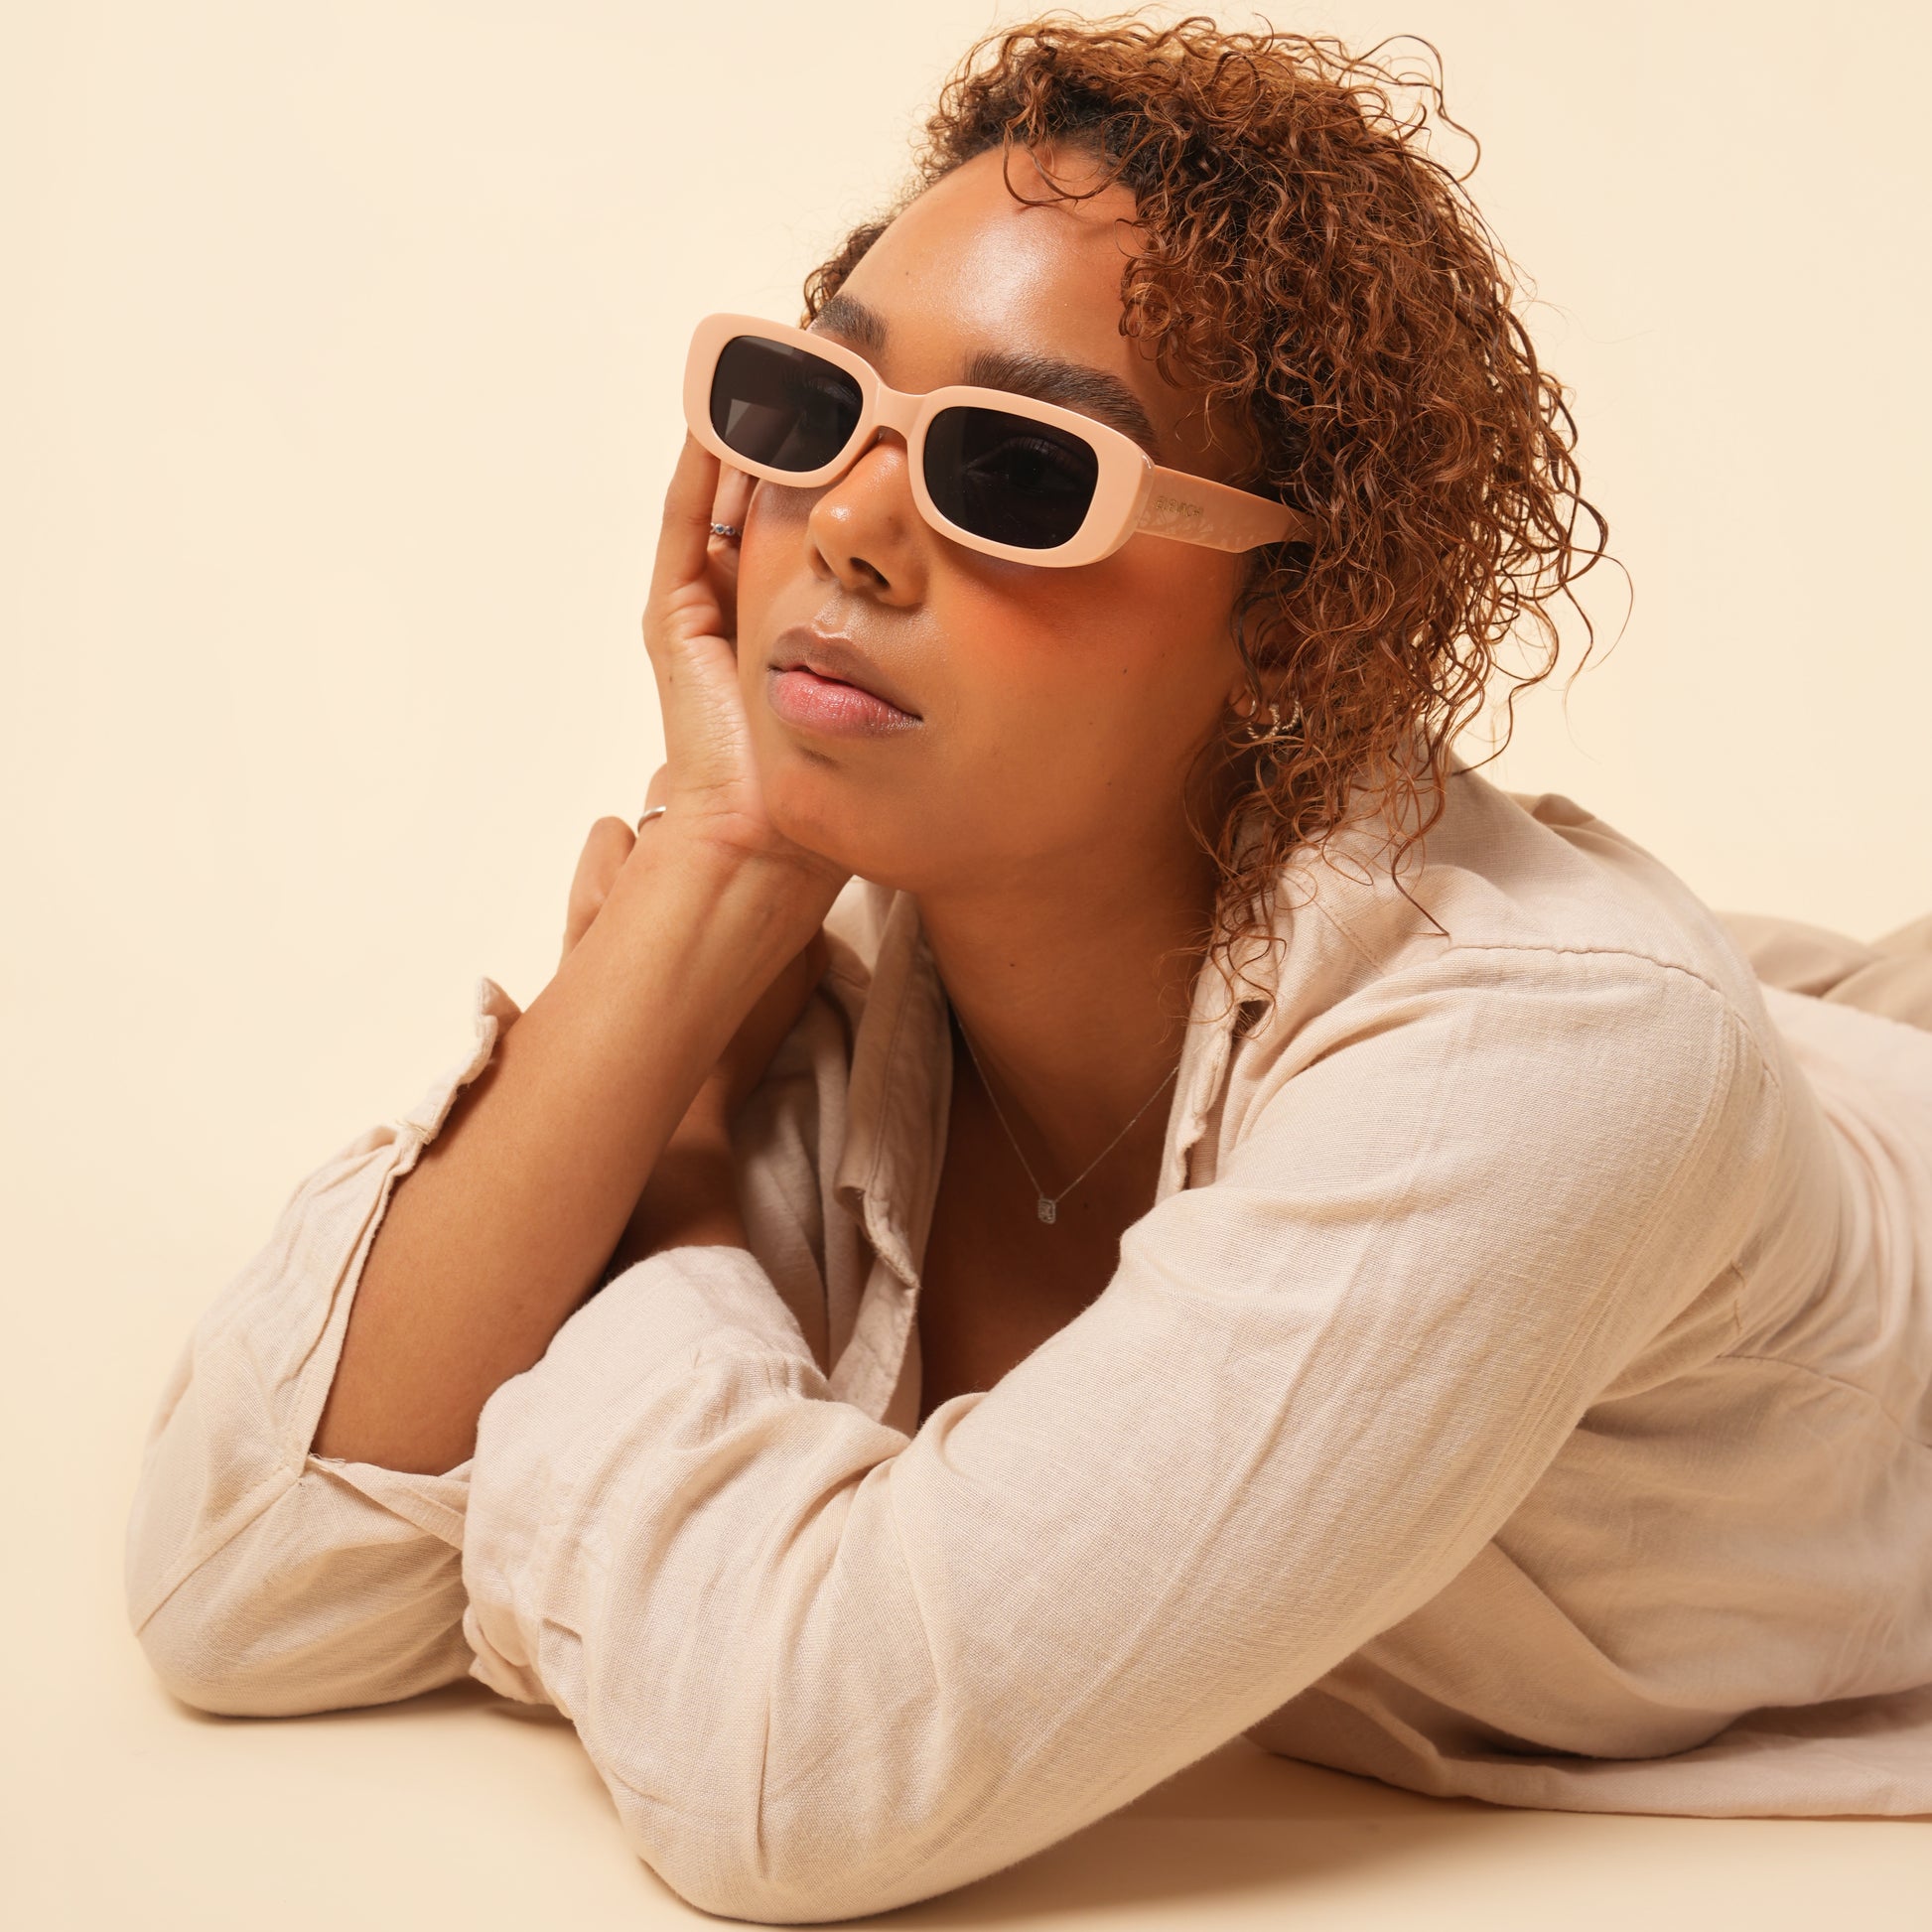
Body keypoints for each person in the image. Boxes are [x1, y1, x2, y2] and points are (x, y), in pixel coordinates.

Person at [124, 15, 1932, 1923]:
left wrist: (669, 1204)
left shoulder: (1543, 1075)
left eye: (1008, 467)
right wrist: (706, 872)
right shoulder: (857, 947)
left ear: (1298, 630)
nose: (855, 527)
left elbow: (792, 1771)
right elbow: (235, 1571)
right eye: (814, 409)